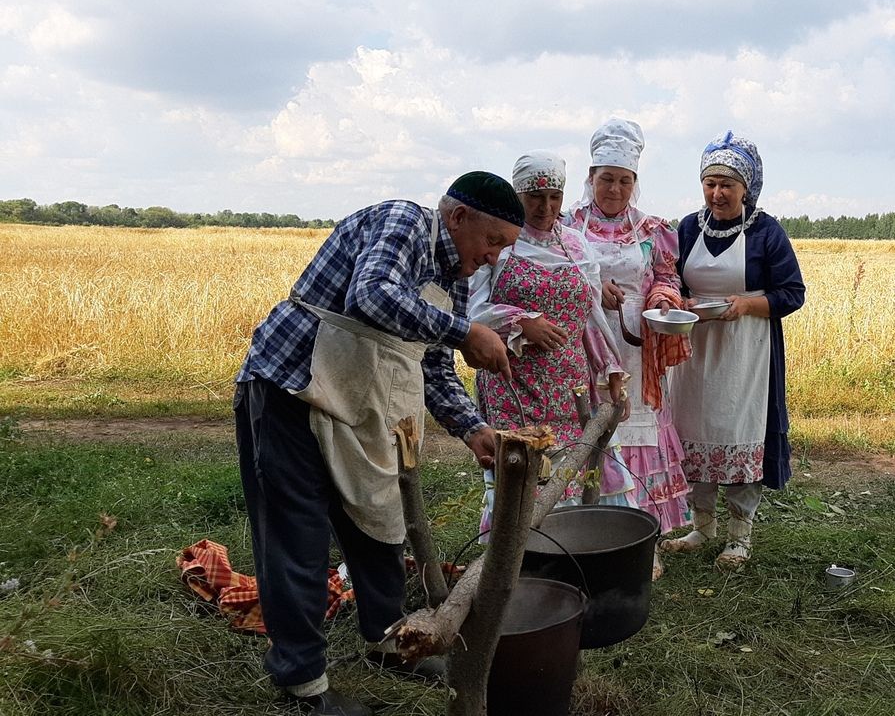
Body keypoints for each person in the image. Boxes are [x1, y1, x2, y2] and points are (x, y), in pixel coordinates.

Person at [234, 172, 522, 716]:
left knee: (380, 522)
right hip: (292, 387)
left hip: (362, 407)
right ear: (457, 217)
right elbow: (372, 294)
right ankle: (304, 685)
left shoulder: (452, 280)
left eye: (503, 249)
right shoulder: (405, 221)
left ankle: (387, 640)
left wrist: (472, 428)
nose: (492, 258)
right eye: (492, 242)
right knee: (297, 536)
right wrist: (466, 333)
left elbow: (432, 365)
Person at [660, 132, 806, 571]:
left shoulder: (766, 232)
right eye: (710, 183)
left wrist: (745, 305)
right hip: (693, 349)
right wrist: (676, 302)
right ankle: (701, 527)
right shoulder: (687, 227)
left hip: (747, 352)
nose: (717, 193)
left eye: (727, 184)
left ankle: (739, 536)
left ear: (746, 188)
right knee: (693, 431)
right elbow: (670, 281)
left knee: (740, 433)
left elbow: (792, 293)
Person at [469, 150, 634, 535]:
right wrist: (522, 322)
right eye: (535, 196)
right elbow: (473, 312)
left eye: (554, 196)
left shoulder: (576, 246)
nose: (546, 206)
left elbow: (590, 316)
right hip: (514, 382)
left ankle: (569, 552)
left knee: (571, 473)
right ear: (517, 196)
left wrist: (609, 369)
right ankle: (515, 564)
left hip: (570, 386)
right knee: (522, 474)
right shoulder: (501, 243)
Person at [564, 117, 692, 580]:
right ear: (591, 178)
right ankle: (584, 527)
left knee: (638, 430)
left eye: (623, 180)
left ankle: (644, 539)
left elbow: (667, 277)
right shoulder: (568, 225)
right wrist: (593, 286)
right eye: (606, 179)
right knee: (591, 429)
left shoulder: (653, 229)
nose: (614, 189)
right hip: (586, 342)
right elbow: (559, 272)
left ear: (634, 183)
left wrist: (661, 299)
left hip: (637, 343)